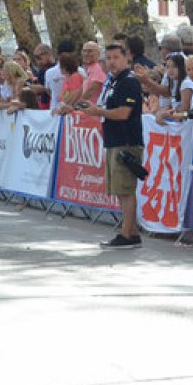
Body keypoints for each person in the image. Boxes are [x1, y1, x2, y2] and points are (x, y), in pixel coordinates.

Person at [76, 42, 145, 249]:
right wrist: (96, 109)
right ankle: (131, 232)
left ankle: (126, 234)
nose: (112, 62)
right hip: (114, 140)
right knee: (119, 190)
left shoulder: (129, 81)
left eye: (116, 57)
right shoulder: (112, 81)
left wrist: (98, 112)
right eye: (109, 58)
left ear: (126, 58)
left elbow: (124, 113)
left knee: (126, 190)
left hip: (126, 141)